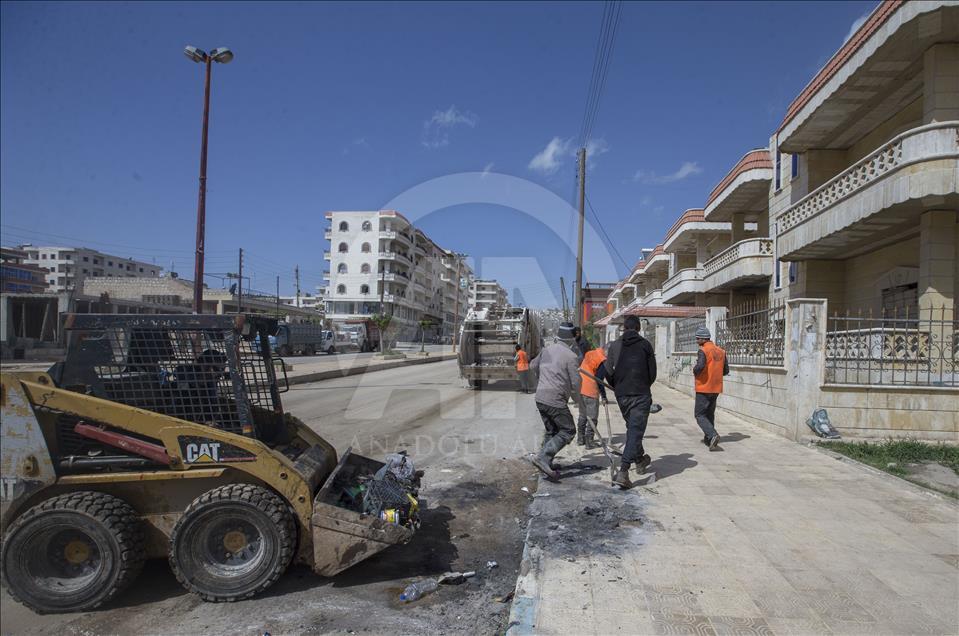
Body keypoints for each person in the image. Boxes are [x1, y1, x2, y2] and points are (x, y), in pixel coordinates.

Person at [604, 315, 657, 489]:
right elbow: (652, 373)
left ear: (624, 328)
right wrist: (643, 386)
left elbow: (607, 370)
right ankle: (624, 471)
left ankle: (640, 460)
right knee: (635, 431)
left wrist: (618, 386)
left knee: (633, 429)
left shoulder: (614, 345)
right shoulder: (645, 345)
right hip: (640, 394)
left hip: (622, 396)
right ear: (639, 328)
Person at [528, 322, 582, 480]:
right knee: (568, 430)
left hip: (540, 398)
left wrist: (542, 378)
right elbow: (576, 383)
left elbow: (532, 366)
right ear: (572, 341)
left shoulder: (547, 350)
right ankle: (543, 458)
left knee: (552, 431)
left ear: (558, 337)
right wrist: (578, 400)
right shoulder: (571, 357)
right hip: (555, 400)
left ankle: (546, 461)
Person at [693, 326, 729, 450]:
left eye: (697, 339)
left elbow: (700, 366)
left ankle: (712, 434)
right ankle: (709, 440)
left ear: (703, 339)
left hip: (704, 387)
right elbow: (726, 370)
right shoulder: (721, 351)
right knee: (709, 414)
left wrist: (695, 370)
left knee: (699, 415)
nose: (696, 341)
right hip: (716, 387)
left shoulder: (703, 350)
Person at [577, 345, 608, 449]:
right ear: (607, 351)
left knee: (582, 415)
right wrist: (603, 396)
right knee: (592, 417)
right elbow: (599, 380)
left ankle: (580, 438)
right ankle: (589, 441)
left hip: (580, 387)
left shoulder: (590, 353)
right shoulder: (602, 360)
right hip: (590, 389)